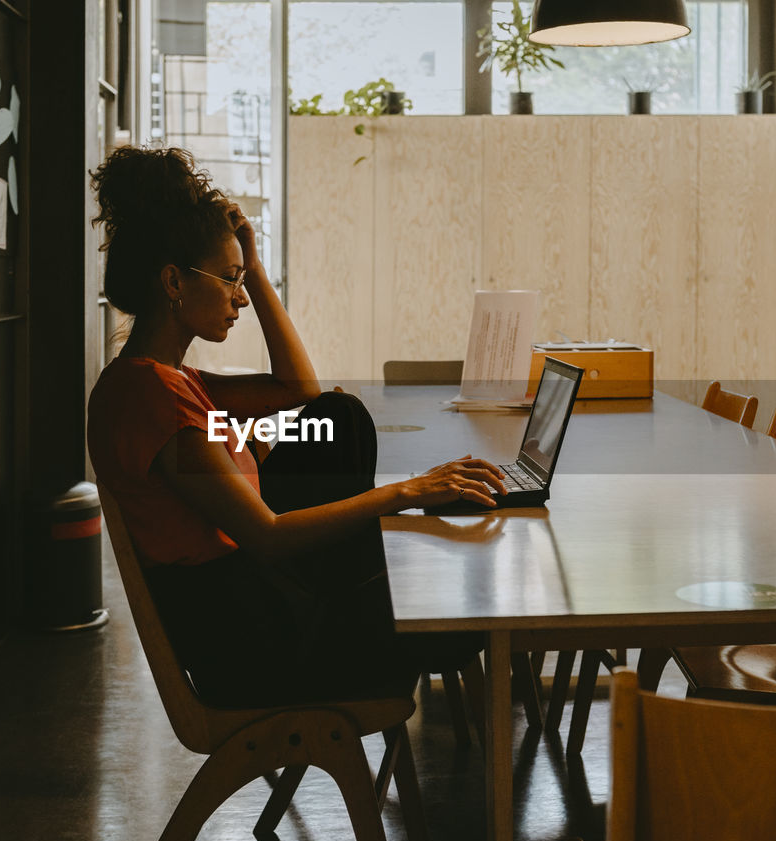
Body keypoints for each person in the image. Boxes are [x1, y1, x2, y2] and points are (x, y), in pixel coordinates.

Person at [86, 146, 503, 708]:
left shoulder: (173, 380)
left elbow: (298, 391)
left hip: (264, 598)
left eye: (242, 281)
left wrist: (255, 270)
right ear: (173, 282)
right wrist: (406, 491)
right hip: (258, 643)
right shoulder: (151, 397)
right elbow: (268, 534)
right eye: (230, 281)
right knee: (466, 596)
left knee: (337, 417)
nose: (238, 298)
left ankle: (386, 562)